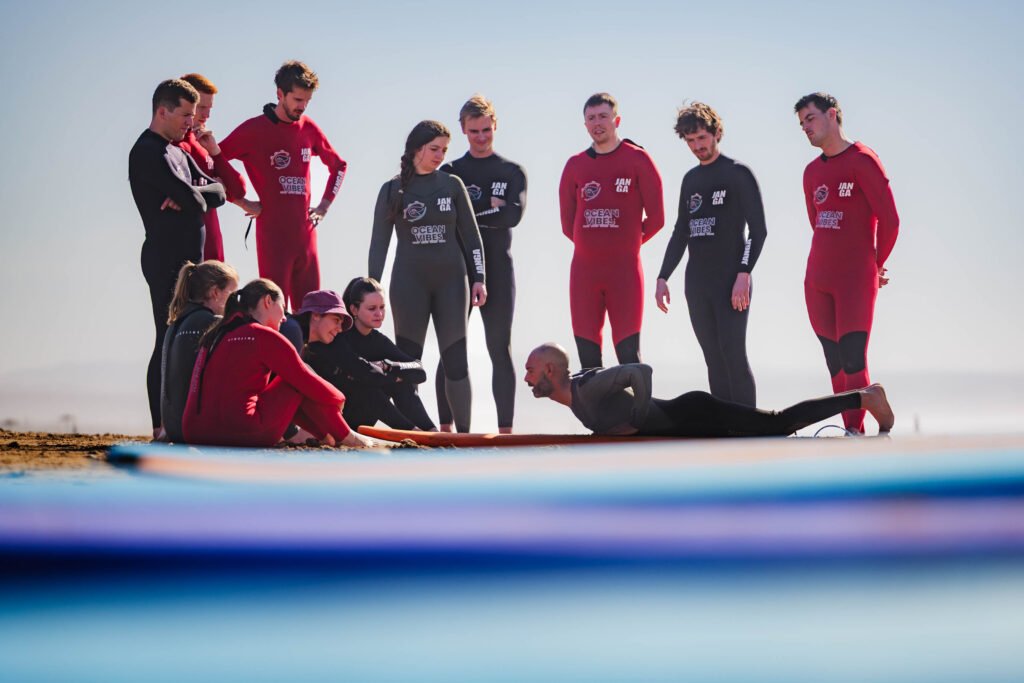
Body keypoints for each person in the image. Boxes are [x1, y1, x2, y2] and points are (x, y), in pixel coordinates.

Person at [368, 120, 487, 433]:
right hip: (409, 283)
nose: (440, 155)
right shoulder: (392, 189)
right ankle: (415, 432)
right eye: (434, 149)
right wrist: (372, 286)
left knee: (456, 361)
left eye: (444, 150)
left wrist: (479, 277)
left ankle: (464, 436)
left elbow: (472, 238)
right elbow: (379, 243)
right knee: (408, 364)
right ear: (416, 149)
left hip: (452, 282)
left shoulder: (451, 185)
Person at [795, 92, 900, 434]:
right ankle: (851, 429)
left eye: (810, 119)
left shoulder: (862, 160)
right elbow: (817, 223)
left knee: (854, 358)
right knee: (835, 362)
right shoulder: (811, 172)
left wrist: (876, 263)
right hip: (817, 279)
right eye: (801, 123)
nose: (805, 127)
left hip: (855, 277)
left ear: (833, 115)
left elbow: (890, 219)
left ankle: (856, 432)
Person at [129, 78, 227, 439]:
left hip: (192, 263)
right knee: (167, 337)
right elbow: (199, 200)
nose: (191, 122)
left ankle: (184, 421)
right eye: (185, 114)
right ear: (162, 111)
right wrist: (192, 196)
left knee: (191, 336)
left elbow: (217, 191)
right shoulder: (147, 151)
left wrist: (190, 193)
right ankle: (161, 426)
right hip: (164, 257)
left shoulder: (179, 152)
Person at [524, 343, 895, 437]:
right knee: (771, 429)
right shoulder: (576, 396)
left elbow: (640, 370)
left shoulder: (587, 390)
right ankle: (863, 396)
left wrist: (638, 420)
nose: (526, 378)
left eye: (530, 370)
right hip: (688, 425)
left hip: (696, 413)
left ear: (550, 370)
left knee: (777, 425)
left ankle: (865, 396)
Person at [655, 102, 767, 407]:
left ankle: (748, 429)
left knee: (732, 353)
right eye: (690, 141)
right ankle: (724, 432)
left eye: (701, 138)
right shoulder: (691, 179)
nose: (697, 147)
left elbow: (758, 231)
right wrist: (663, 276)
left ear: (716, 133)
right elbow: (681, 232)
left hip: (731, 279)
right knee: (713, 358)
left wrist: (744, 273)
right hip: (698, 282)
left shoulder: (737, 173)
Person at [181, 278, 375, 448]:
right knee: (298, 377)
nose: (284, 318)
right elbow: (304, 381)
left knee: (289, 383)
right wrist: (339, 398)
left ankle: (326, 436)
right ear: (267, 301)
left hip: (195, 433)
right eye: (282, 309)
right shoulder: (263, 335)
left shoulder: (215, 335)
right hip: (243, 433)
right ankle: (346, 435)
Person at [218, 60, 347, 311]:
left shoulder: (308, 127)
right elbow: (211, 162)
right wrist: (241, 201)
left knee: (313, 315)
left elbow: (339, 166)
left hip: (306, 236)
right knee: (274, 313)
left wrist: (324, 206)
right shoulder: (253, 130)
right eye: (298, 100)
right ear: (280, 94)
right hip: (273, 237)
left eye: (307, 101)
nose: (303, 107)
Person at [435, 94, 527, 434]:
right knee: (452, 351)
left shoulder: (511, 171)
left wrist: (470, 211)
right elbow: (445, 217)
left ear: (495, 126)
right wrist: (490, 206)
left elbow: (513, 215)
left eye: (486, 129)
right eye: (474, 131)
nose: (481, 136)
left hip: (499, 270)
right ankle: (448, 430)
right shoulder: (451, 172)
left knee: (499, 349)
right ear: (463, 130)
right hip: (457, 270)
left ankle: (505, 432)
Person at [559, 92, 664, 370]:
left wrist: (627, 243)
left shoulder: (638, 160)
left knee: (630, 359)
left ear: (616, 120)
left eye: (603, 116)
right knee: (589, 364)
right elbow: (567, 224)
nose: (598, 123)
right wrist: (593, 245)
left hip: (625, 273)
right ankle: (598, 414)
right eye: (591, 118)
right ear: (585, 125)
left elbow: (657, 218)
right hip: (584, 273)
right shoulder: (575, 165)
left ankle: (637, 414)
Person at [301, 279, 436, 431]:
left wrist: (389, 366)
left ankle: (431, 431)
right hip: (339, 415)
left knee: (402, 384)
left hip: (363, 414)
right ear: (354, 310)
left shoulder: (378, 341)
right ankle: (411, 431)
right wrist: (392, 374)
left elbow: (419, 371)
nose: (379, 314)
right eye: (372, 308)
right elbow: (364, 372)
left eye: (382, 307)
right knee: (364, 384)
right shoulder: (338, 336)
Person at [160, 260, 239, 442]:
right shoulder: (211, 322)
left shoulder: (175, 324)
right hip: (195, 431)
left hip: (174, 430)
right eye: (233, 294)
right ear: (215, 292)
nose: (236, 301)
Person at [175, 73, 247, 262]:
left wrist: (215, 152)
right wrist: (216, 187)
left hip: (213, 249)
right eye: (202, 107)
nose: (207, 115)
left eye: (210, 108)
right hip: (185, 251)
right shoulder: (173, 145)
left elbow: (238, 189)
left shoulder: (203, 144)